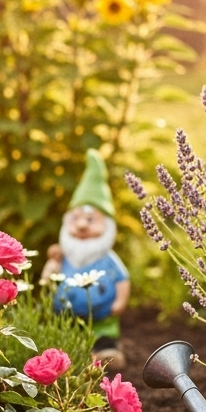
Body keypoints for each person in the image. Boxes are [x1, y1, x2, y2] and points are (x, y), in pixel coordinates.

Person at [42, 149, 131, 367]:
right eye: (77, 219)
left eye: (90, 220)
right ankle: (69, 354)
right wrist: (50, 271)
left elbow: (122, 279)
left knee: (104, 339)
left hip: (103, 321)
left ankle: (105, 352)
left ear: (107, 225)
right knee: (63, 339)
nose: (82, 225)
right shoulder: (63, 255)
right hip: (66, 320)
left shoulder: (108, 258)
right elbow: (48, 277)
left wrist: (120, 301)